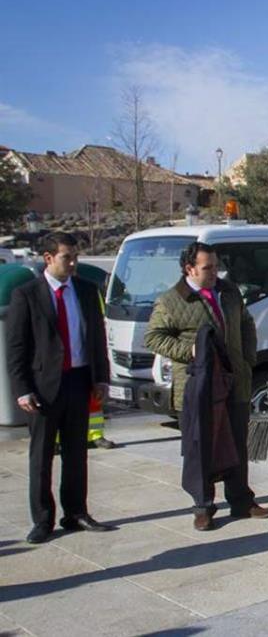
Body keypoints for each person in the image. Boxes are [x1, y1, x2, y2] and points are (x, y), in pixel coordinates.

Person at [144, 242, 268, 531]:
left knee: (238, 443)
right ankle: (203, 507)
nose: (215, 272)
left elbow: (246, 323)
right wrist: (190, 351)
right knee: (202, 446)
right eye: (208, 268)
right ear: (189, 269)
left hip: (235, 381)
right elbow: (153, 337)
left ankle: (241, 501)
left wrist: (248, 358)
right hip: (199, 387)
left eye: (216, 266)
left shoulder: (228, 292)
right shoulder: (171, 300)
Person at [7, 232, 115, 544]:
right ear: (48, 258)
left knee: (76, 452)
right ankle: (42, 519)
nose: (72, 263)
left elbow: (96, 338)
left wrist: (101, 378)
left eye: (75, 257)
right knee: (41, 457)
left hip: (79, 381)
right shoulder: (27, 295)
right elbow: (16, 348)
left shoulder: (84, 291)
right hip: (43, 388)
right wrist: (22, 389)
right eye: (67, 257)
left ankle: (76, 512)